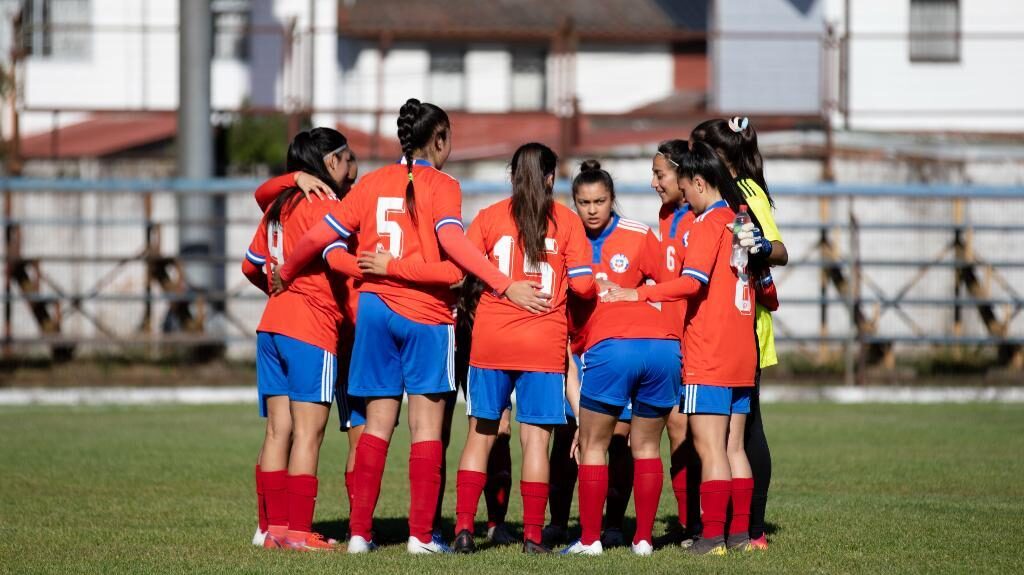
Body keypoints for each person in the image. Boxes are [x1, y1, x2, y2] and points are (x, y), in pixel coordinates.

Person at [271, 99, 548, 554]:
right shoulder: (443, 184)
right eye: (449, 136)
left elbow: (320, 237)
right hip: (426, 317)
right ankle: (421, 536)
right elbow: (452, 250)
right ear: (439, 138)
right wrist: (503, 284)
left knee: (376, 428)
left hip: (376, 313)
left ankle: (360, 534)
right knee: (425, 431)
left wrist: (289, 271)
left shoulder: (374, 182)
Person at [604, 141, 757, 555]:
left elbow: (693, 283)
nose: (683, 197)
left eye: (685, 187)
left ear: (699, 182)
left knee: (708, 448)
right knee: (733, 446)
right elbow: (766, 289)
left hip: (710, 348)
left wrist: (636, 295)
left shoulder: (707, 224)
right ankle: (741, 534)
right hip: (744, 347)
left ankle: (712, 536)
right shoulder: (740, 222)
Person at [450, 143, 597, 554]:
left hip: (491, 339)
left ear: (513, 175)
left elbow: (459, 262)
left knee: (479, 436)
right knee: (536, 442)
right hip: (543, 344)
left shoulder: (489, 217)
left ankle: (464, 530)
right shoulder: (567, 222)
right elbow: (584, 286)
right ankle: (533, 536)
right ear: (551, 178)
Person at [559, 160, 680, 556]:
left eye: (600, 201)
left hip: (609, 349)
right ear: (574, 202)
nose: (592, 210)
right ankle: (640, 539)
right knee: (640, 445)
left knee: (599, 442)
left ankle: (595, 536)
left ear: (613, 200)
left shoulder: (638, 235)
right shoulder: (565, 233)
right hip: (651, 348)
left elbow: (668, 286)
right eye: (584, 202)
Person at [241, 127, 353, 551]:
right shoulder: (322, 203)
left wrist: (278, 288)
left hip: (271, 326)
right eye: (348, 158)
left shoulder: (277, 206)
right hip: (310, 327)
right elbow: (332, 255)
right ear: (329, 164)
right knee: (309, 434)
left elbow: (251, 266)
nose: (352, 166)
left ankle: (271, 529)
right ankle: (300, 533)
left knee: (277, 432)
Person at [692, 117, 788, 549]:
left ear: (718, 153)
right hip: (728, 324)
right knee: (732, 433)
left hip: (746, 325)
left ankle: (752, 529)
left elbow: (779, 249)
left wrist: (762, 247)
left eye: (698, 149)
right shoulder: (717, 192)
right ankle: (732, 526)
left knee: (745, 432)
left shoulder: (745, 192)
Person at [650, 139, 704, 546]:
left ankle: (705, 523)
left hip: (693, 337)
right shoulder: (667, 215)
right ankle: (689, 523)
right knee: (673, 427)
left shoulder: (697, 217)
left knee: (691, 430)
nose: (654, 182)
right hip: (665, 336)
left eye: (659, 174)